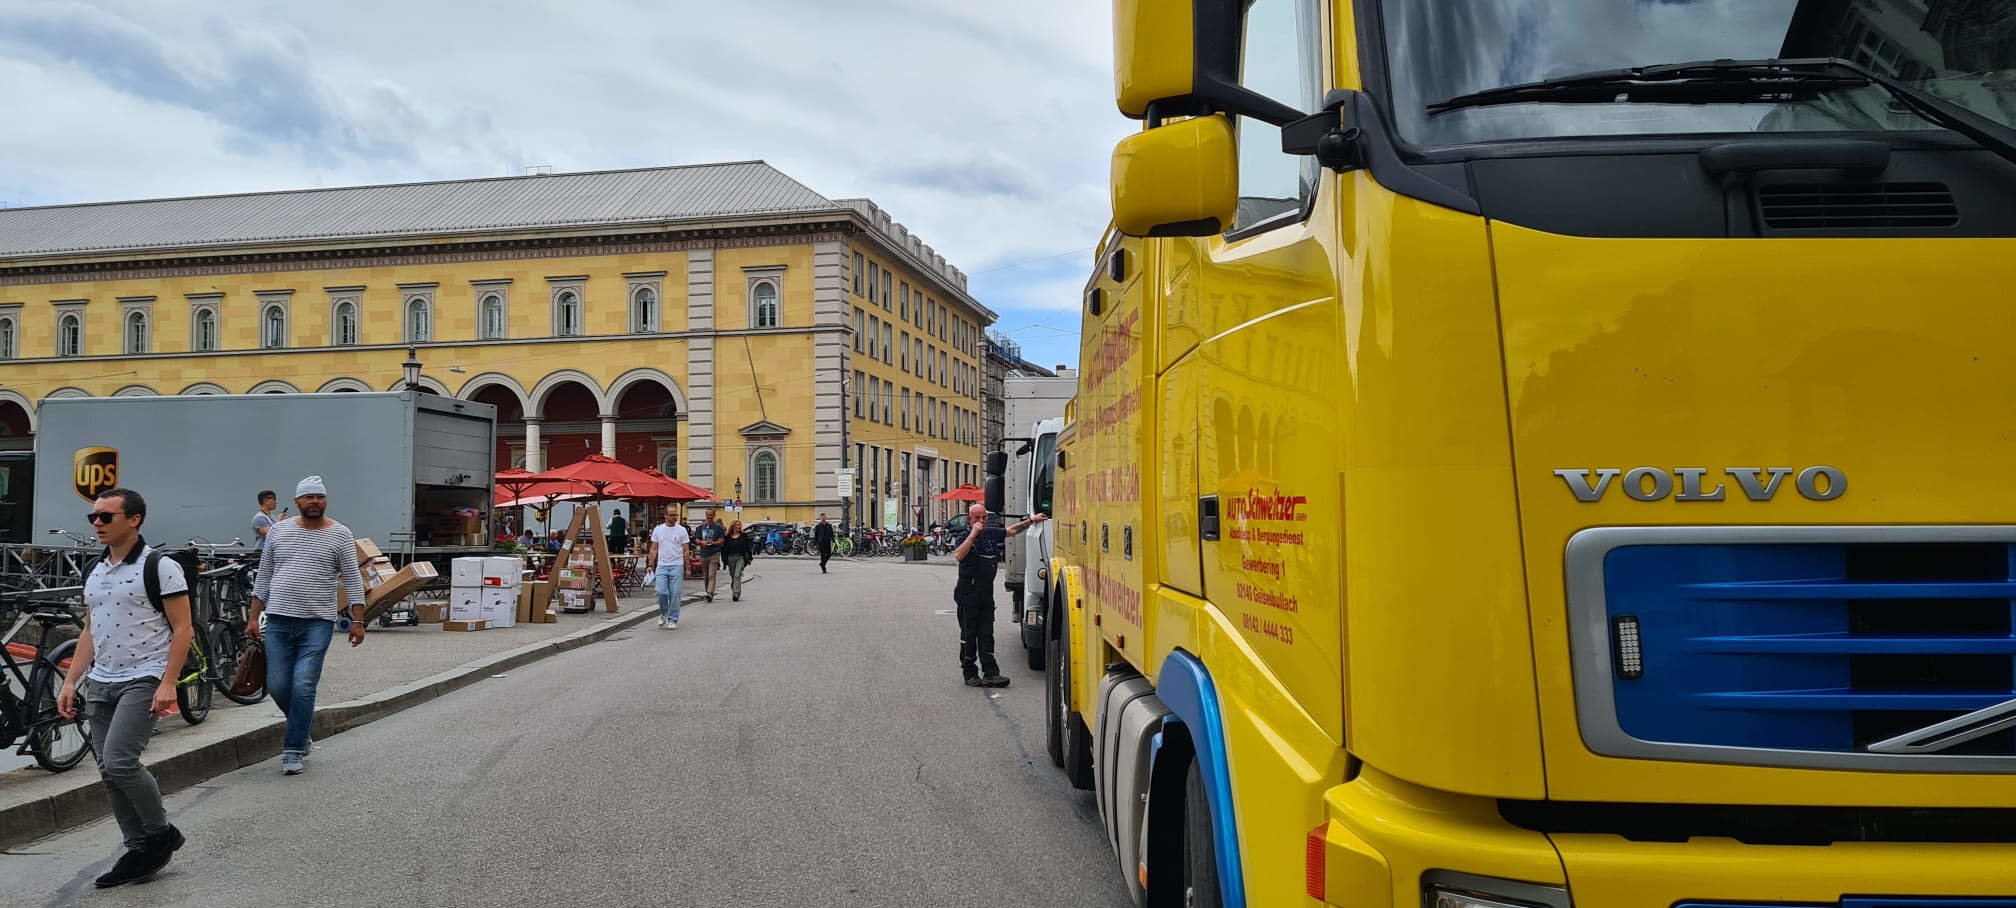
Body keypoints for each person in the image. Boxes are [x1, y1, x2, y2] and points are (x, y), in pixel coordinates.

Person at [55, 488, 191, 888]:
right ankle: (139, 849)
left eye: (106, 517)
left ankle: (161, 833)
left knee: (119, 762)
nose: (97, 523)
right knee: (108, 773)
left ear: (134, 520)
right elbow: (90, 630)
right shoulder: (96, 570)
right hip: (102, 680)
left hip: (144, 676)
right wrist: (70, 680)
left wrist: (168, 682)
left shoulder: (160, 567)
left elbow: (183, 629)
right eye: (93, 517)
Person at [247, 475, 365, 776]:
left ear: (325, 501)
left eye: (320, 497)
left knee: (302, 684)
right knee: (276, 685)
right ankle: (302, 730)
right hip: (278, 620)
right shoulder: (278, 532)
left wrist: (358, 620)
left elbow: (352, 579)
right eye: (309, 497)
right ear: (298, 501)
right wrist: (252, 617)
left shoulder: (340, 535)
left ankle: (293, 749)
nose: (315, 502)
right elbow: (264, 575)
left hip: (317, 622)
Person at [951, 503, 1048, 688]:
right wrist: (973, 534)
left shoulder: (990, 534)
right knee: (970, 633)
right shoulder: (964, 536)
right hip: (968, 592)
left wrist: (1031, 521)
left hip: (986, 592)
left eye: (983, 518)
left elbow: (1011, 531)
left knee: (987, 633)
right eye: (977, 518)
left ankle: (991, 673)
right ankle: (970, 672)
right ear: (970, 519)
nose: (981, 522)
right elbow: (958, 555)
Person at [648, 509, 690, 628]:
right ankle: (663, 612)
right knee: (661, 592)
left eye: (675, 515)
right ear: (666, 516)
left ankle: (673, 618)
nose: (674, 517)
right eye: (671, 515)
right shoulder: (658, 529)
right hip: (662, 565)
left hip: (677, 564)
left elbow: (686, 550)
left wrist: (688, 567)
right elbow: (654, 548)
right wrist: (650, 565)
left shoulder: (682, 530)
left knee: (675, 594)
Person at [696, 508, 726, 601]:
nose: (709, 516)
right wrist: (702, 542)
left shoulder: (718, 527)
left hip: (714, 553)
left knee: (712, 574)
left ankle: (710, 593)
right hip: (704, 553)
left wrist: (713, 543)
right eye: (707, 515)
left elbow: (722, 540)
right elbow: (696, 539)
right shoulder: (700, 527)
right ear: (705, 515)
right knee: (706, 576)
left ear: (713, 515)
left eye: (710, 515)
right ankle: (708, 593)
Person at [721, 520, 753, 602]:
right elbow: (724, 550)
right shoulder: (727, 537)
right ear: (733, 526)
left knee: (737, 575)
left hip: (740, 558)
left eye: (740, 525)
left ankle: (736, 594)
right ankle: (735, 589)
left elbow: (747, 547)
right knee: (733, 577)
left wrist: (750, 557)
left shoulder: (743, 536)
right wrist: (724, 561)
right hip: (730, 558)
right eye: (738, 525)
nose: (739, 526)